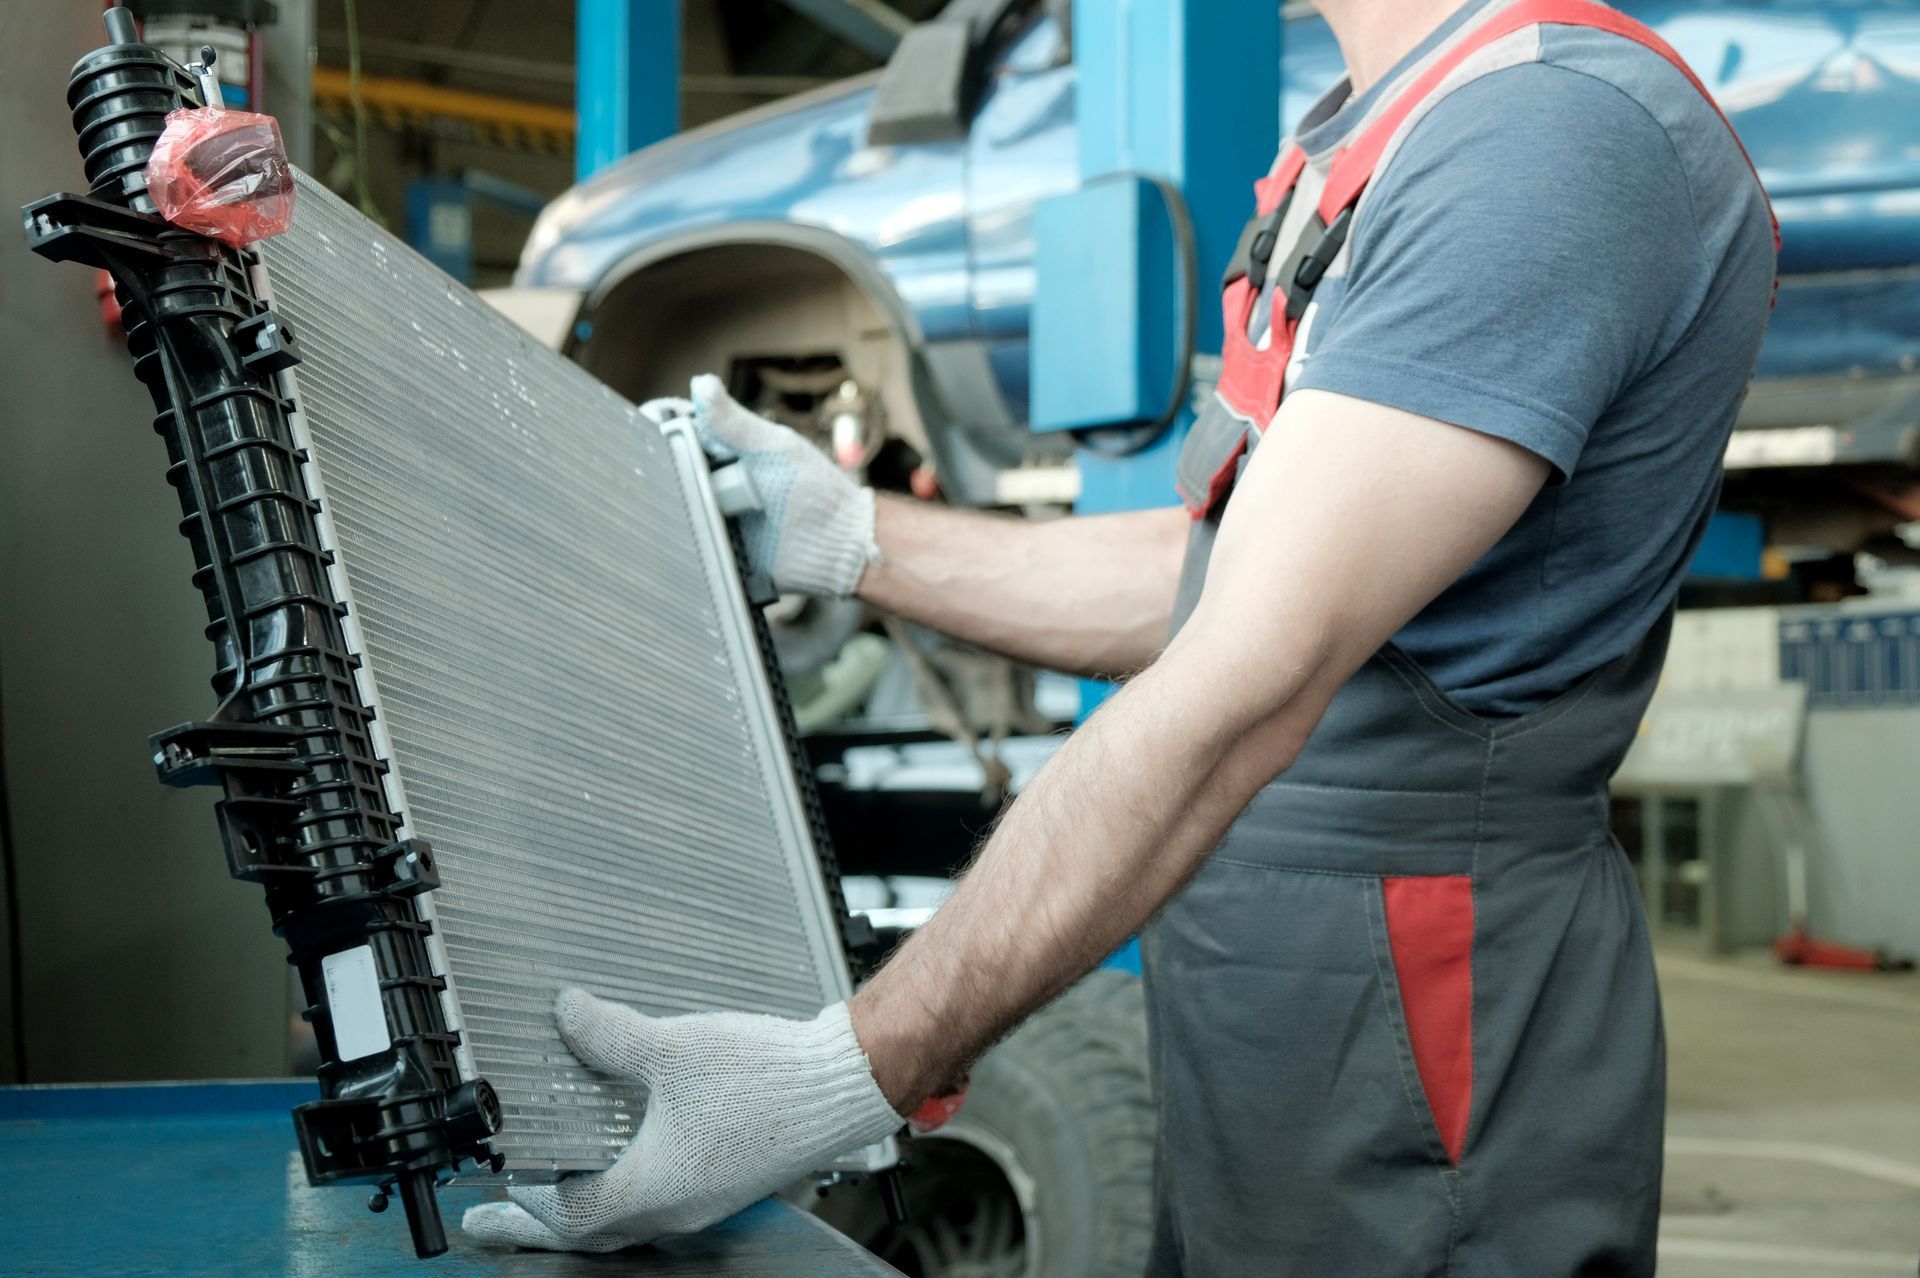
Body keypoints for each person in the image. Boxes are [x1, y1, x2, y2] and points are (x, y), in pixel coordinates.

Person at [463, 0, 1775, 1271]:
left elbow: (1246, 682)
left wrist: (841, 1071)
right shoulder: (1378, 133)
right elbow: (1220, 576)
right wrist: (852, 536)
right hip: (1281, 985)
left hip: (1428, 1003)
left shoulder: (1542, 138)